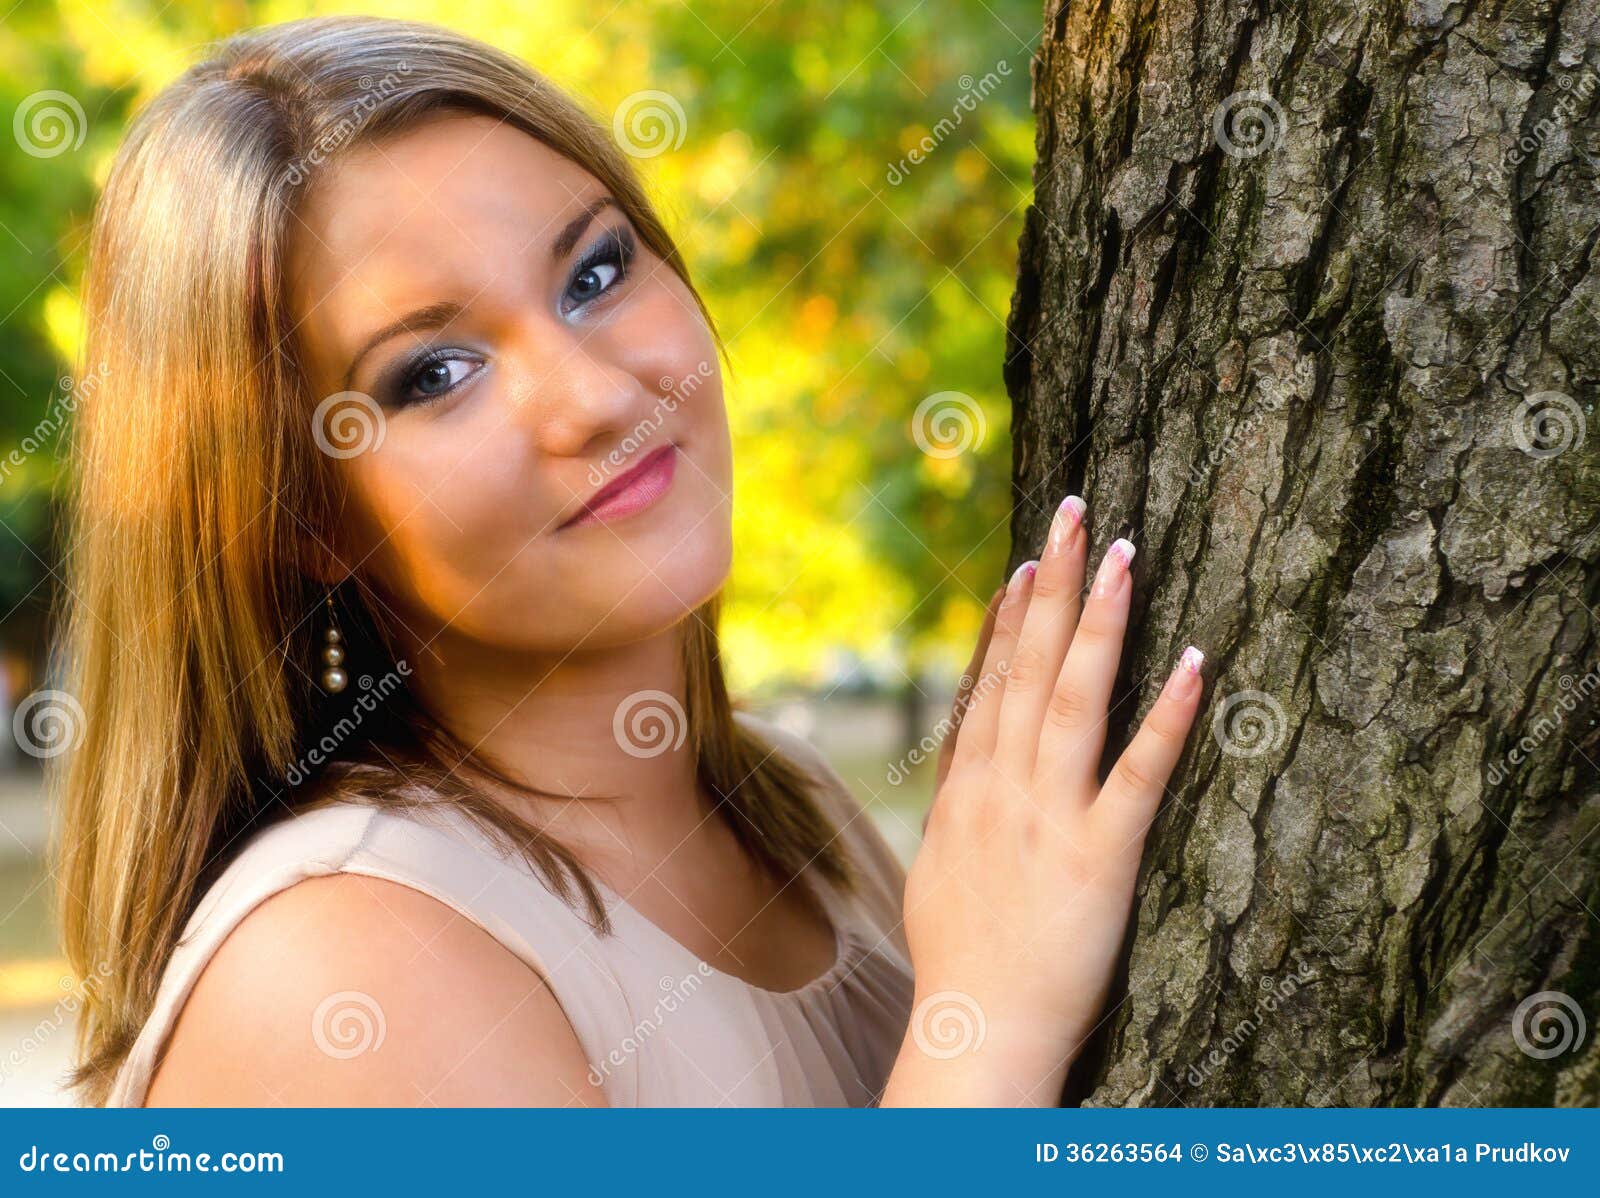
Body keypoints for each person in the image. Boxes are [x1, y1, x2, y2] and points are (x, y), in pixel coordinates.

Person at [51, 16, 1205, 1107]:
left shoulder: (786, 804)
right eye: (436, 373)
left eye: (594, 272)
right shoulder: (336, 970)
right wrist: (986, 1019)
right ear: (302, 521)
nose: (598, 398)